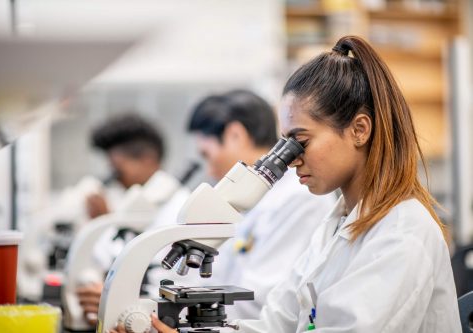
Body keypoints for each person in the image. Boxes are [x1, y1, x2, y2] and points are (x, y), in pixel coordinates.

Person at [126, 36, 460, 333]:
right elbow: (275, 323)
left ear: (360, 130)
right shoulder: (336, 227)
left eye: (300, 141)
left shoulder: (403, 232)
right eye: (284, 144)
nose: (291, 158)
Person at [144, 90, 335, 320]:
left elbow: (260, 299)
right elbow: (216, 281)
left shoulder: (299, 198)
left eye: (207, 154)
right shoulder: (250, 201)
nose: (208, 169)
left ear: (235, 134)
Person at [76, 113, 191, 325]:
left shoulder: (183, 211)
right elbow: (105, 262)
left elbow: (176, 285)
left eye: (118, 170)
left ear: (147, 159)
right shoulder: (130, 203)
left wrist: (112, 300)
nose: (116, 179)